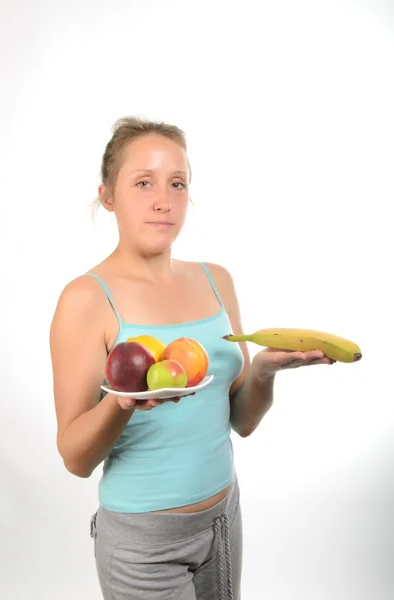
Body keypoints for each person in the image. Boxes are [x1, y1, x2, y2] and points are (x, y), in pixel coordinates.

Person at [49, 116, 334, 600]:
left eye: (177, 183)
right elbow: (76, 458)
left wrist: (262, 370)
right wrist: (123, 403)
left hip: (224, 518)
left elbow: (240, 421)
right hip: (142, 545)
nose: (164, 200)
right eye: (143, 183)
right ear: (108, 196)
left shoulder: (216, 280)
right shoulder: (86, 299)